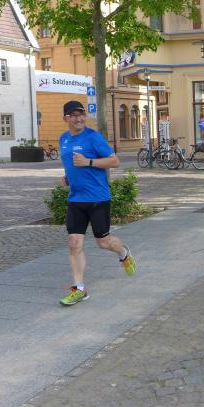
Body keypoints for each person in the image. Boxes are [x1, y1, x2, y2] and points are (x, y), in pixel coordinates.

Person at [58, 100, 137, 306]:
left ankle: (123, 252)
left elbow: (114, 161)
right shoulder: (63, 139)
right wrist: (68, 178)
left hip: (98, 198)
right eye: (74, 115)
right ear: (66, 118)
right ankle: (79, 289)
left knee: (103, 242)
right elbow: (70, 165)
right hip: (76, 199)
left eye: (81, 114)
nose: (79, 118)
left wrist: (89, 162)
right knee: (74, 243)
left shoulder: (93, 137)